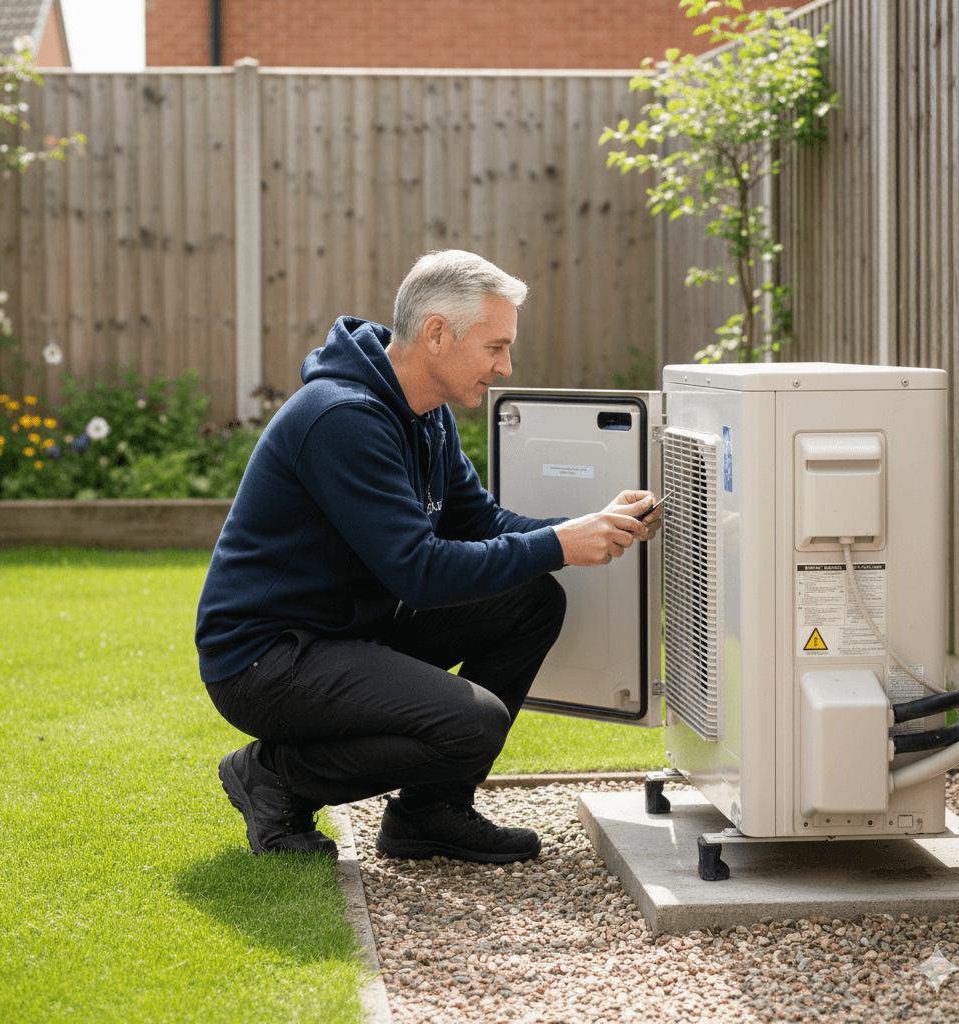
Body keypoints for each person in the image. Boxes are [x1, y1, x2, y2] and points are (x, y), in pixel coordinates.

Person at [195, 249, 661, 864]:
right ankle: (274, 777)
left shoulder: (426, 415)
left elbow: (483, 523)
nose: (506, 366)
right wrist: (558, 544)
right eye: (495, 347)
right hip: (266, 658)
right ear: (437, 334)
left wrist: (586, 528)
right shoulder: (341, 418)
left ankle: (428, 813)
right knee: (474, 723)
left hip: (347, 633)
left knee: (530, 599)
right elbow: (419, 572)